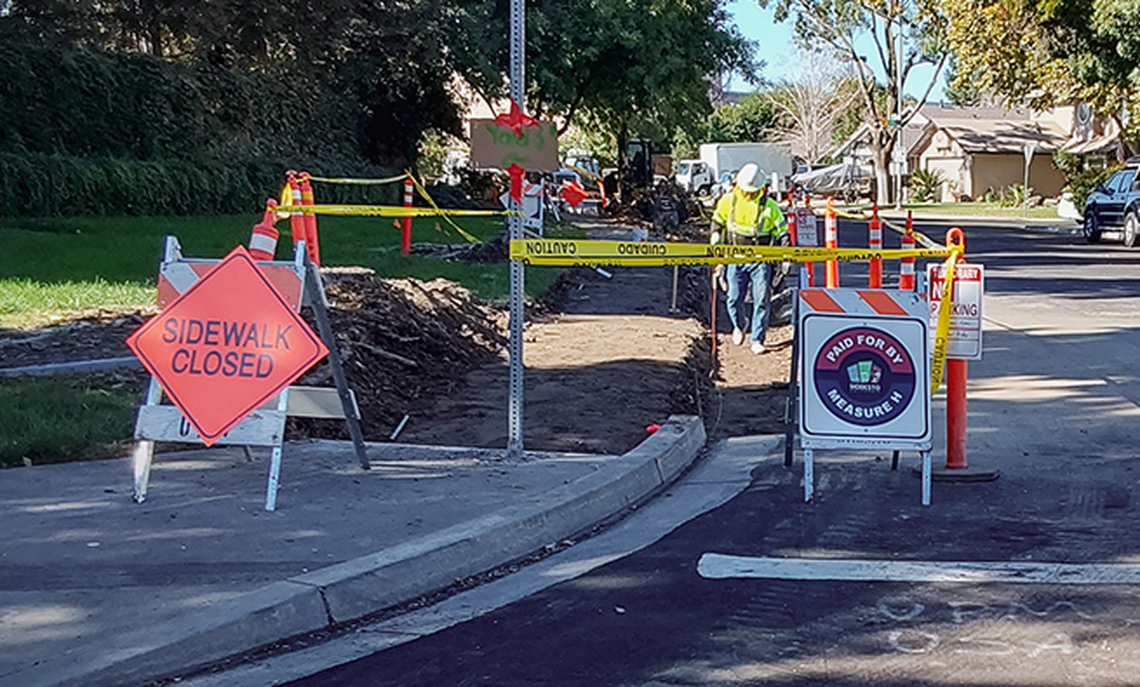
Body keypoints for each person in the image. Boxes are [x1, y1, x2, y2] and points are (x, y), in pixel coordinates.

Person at [710, 163, 788, 354]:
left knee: (762, 299)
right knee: (733, 298)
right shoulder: (729, 201)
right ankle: (739, 324)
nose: (750, 194)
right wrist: (715, 245)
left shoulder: (769, 207)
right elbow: (717, 223)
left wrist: (785, 258)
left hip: (761, 260)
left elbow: (782, 233)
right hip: (735, 258)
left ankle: (757, 339)